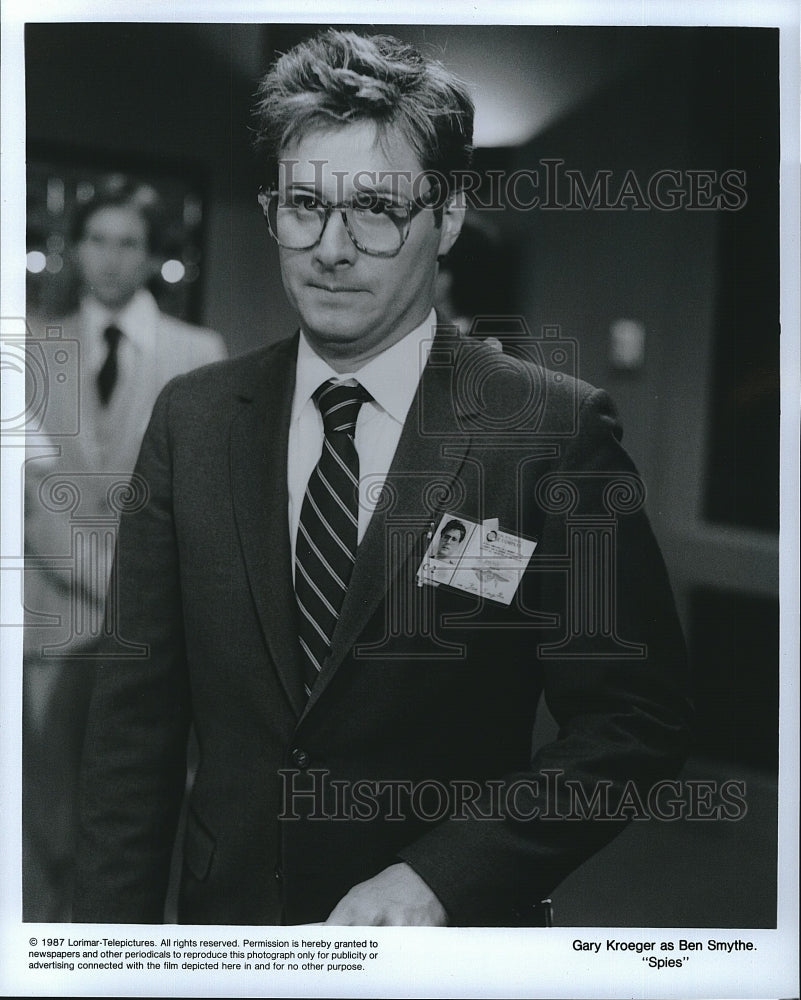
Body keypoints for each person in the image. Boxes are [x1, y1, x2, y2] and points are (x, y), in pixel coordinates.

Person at [73, 30, 691, 927]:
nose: (331, 247)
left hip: (448, 947)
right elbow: (132, 735)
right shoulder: (194, 418)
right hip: (233, 936)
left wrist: (444, 876)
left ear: (444, 219)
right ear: (270, 209)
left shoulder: (552, 432)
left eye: (374, 208)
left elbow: (634, 721)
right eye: (303, 206)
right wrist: (109, 962)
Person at [23, 178, 227, 920]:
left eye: (129, 243)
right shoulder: (32, 348)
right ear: (75, 248)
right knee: (48, 812)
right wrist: (99, 576)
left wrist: (134, 591)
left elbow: (204, 493)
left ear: (152, 257)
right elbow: (25, 488)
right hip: (54, 615)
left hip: (154, 624)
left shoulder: (199, 352)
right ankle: (47, 955)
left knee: (143, 801)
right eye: (98, 240)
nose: (111, 259)